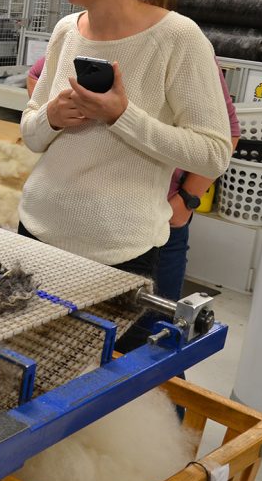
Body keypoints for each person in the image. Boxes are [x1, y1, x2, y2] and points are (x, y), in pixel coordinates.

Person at [20, 0, 233, 291]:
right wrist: (51, 116)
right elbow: (31, 135)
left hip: (118, 252)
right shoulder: (67, 30)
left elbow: (214, 152)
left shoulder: (179, 38)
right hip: (35, 228)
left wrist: (122, 115)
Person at [27, 53, 241, 305]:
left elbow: (225, 137)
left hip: (152, 220)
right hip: (67, 219)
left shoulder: (183, 49)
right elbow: (36, 78)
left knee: (147, 325)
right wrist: (54, 115)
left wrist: (186, 200)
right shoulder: (74, 33)